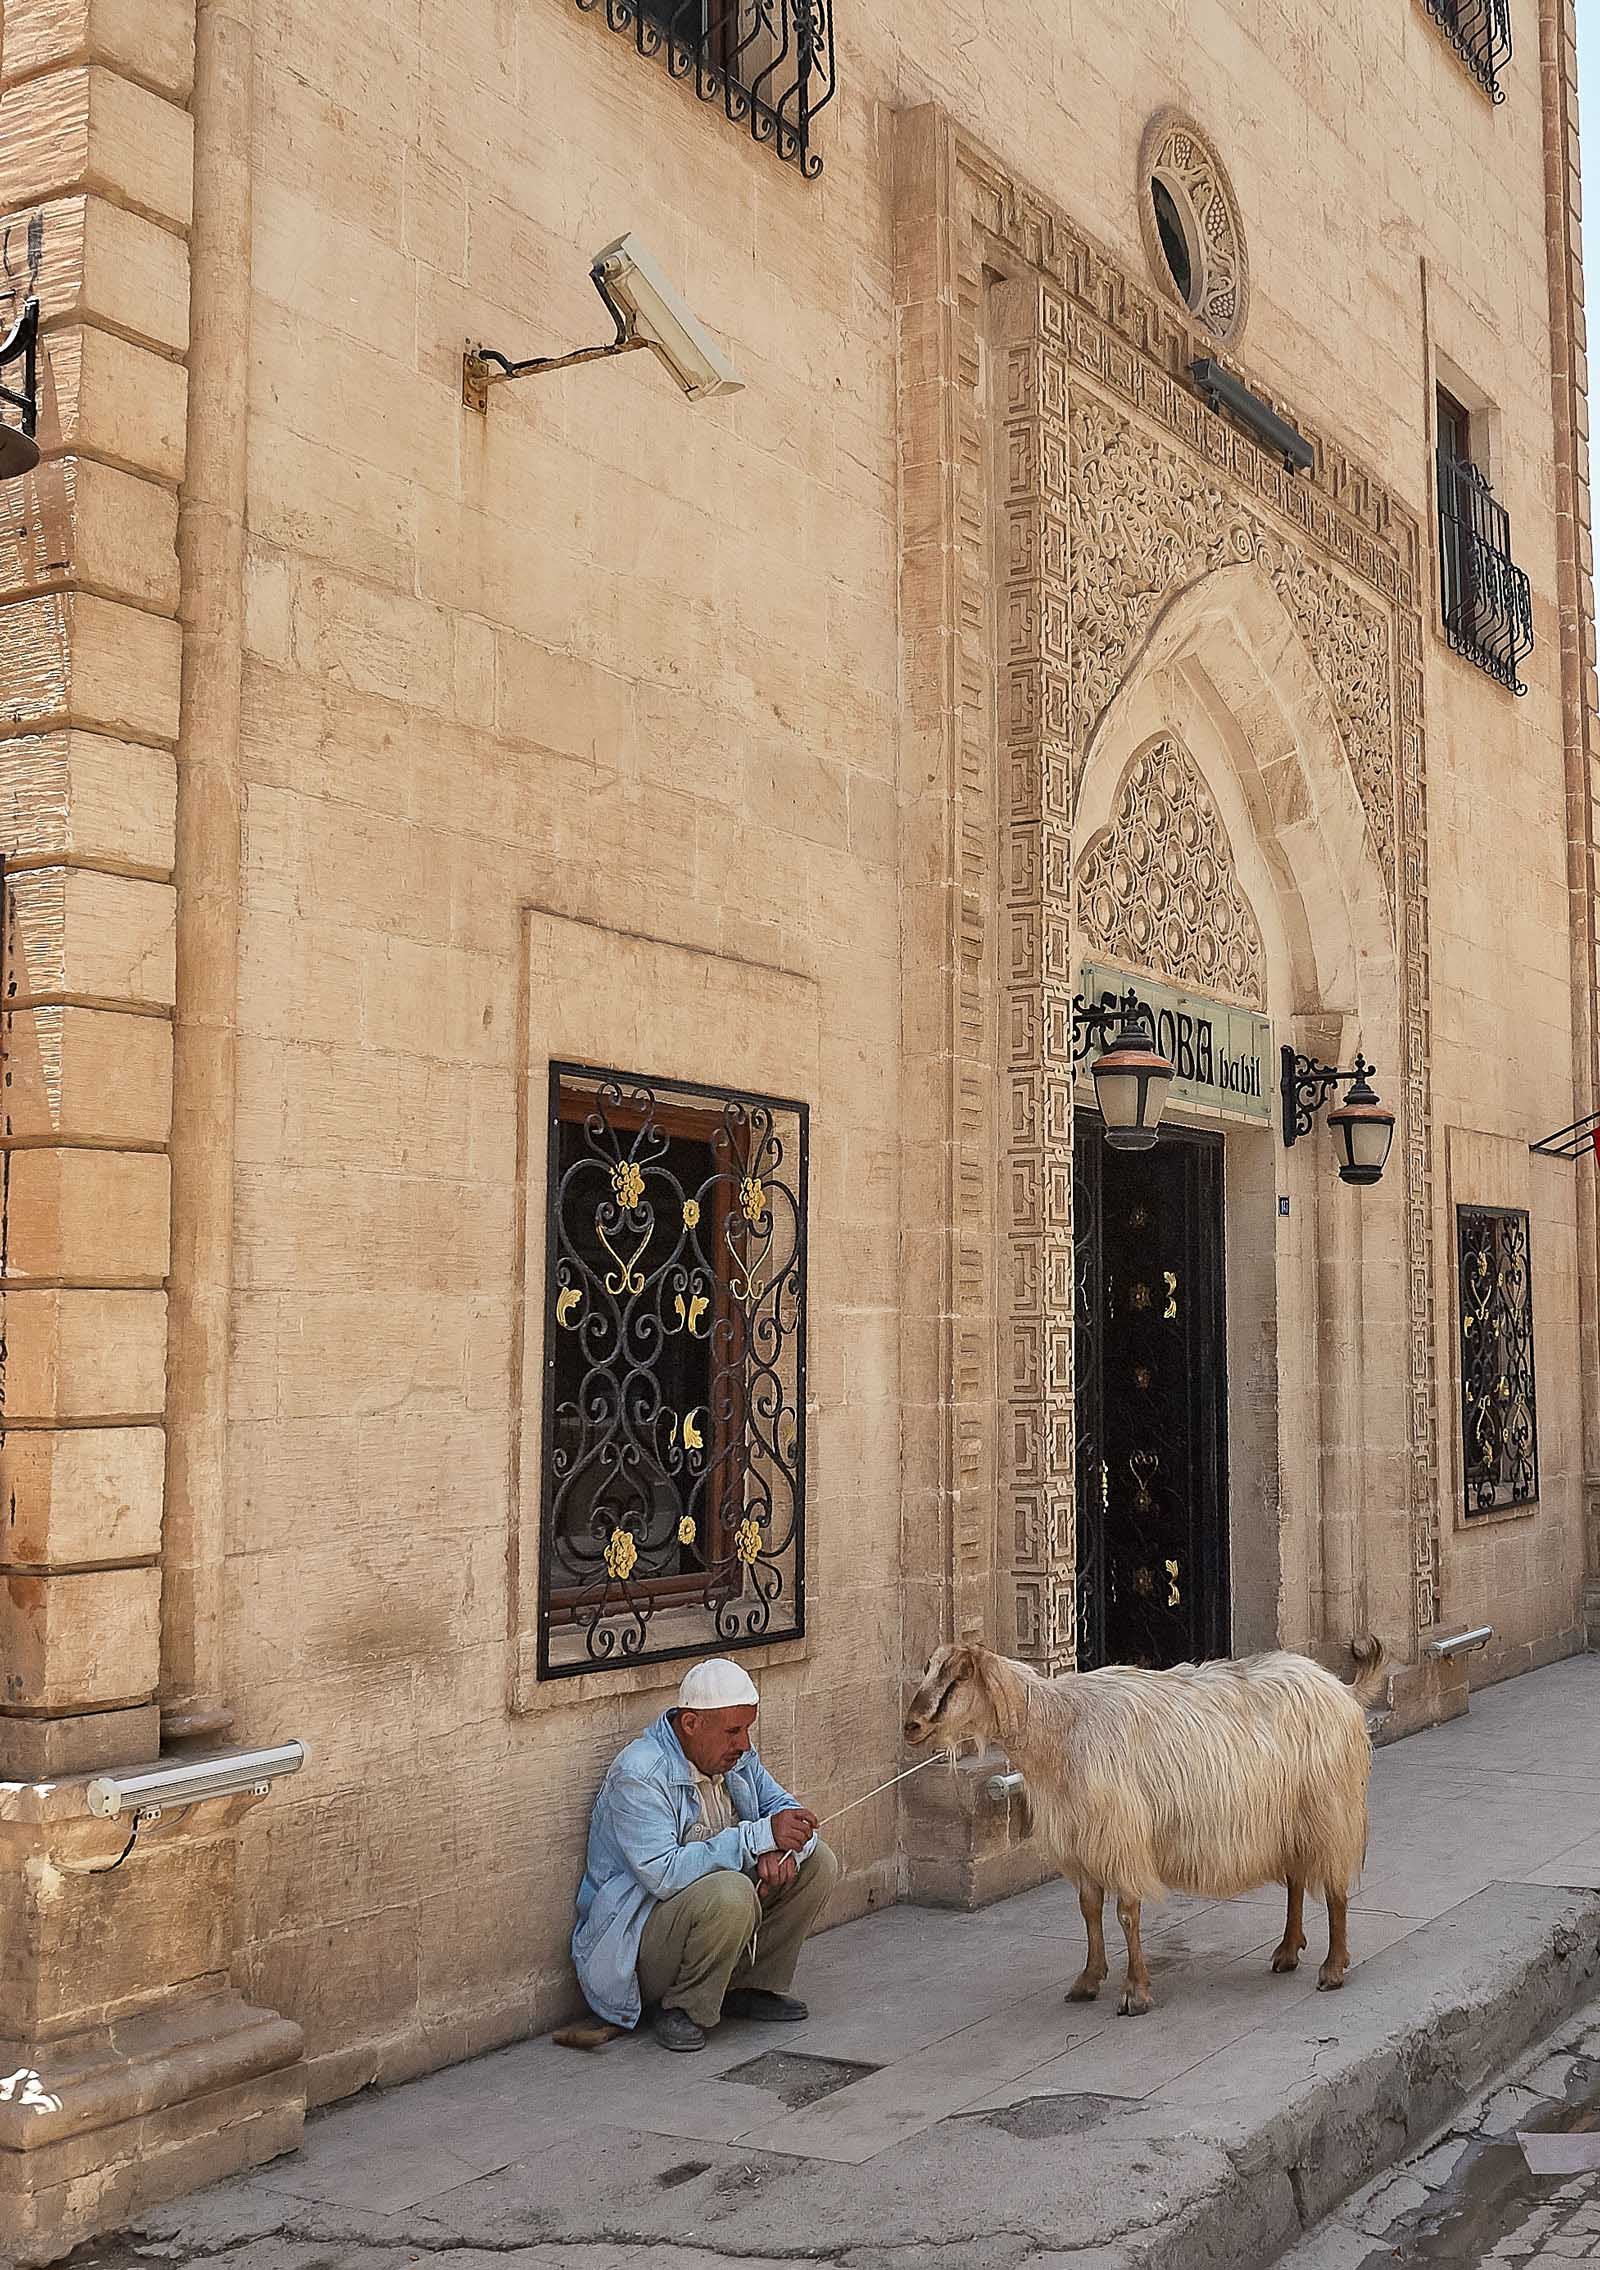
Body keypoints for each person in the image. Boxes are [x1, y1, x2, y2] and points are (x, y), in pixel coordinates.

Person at [572, 1657, 840, 2052]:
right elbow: (664, 1874)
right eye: (733, 1731)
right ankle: (682, 2006)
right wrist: (757, 1839)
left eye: (747, 1729)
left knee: (818, 1863)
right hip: (634, 1944)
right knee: (730, 1891)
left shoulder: (737, 1758)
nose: (744, 1744)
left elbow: (788, 1815)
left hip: (699, 1918)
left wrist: (781, 1846)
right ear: (692, 1725)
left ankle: (747, 1987)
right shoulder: (640, 1774)